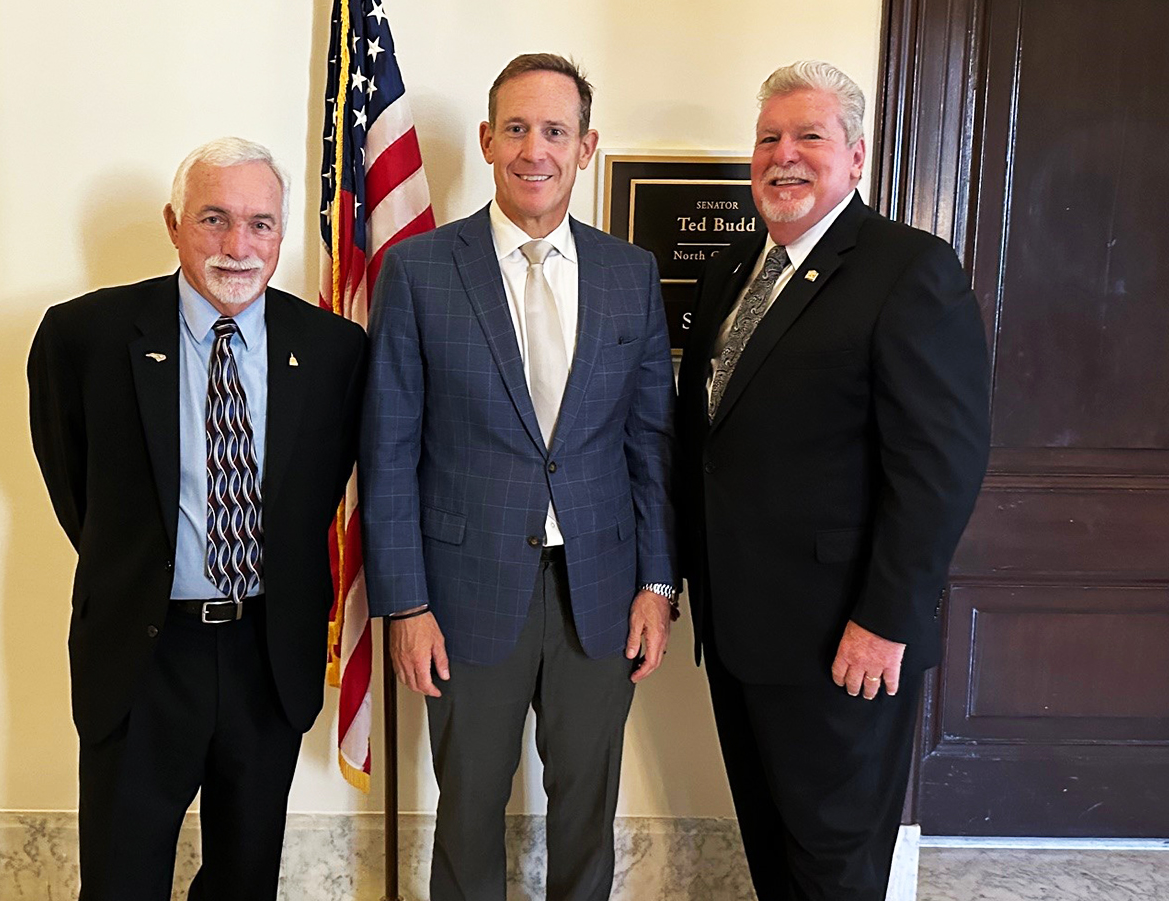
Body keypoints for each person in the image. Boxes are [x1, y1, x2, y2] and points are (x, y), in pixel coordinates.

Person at [360, 53, 676, 901]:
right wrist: (405, 603)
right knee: (466, 814)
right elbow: (387, 448)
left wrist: (657, 583)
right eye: (518, 129)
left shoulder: (629, 274)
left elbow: (650, 444)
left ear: (586, 147)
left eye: (556, 131)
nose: (535, 149)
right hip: (462, 595)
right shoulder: (420, 270)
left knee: (587, 813)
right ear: (488, 140)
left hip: (600, 592)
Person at [675, 61, 990, 901]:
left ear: (856, 155)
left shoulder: (908, 269)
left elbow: (940, 465)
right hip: (741, 636)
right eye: (769, 138)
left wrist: (885, 619)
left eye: (809, 136)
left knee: (834, 869)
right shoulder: (731, 271)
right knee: (776, 853)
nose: (785, 155)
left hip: (843, 644)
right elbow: (707, 443)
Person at [27, 137, 367, 901]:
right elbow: (73, 484)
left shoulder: (335, 351)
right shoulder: (85, 338)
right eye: (215, 219)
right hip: (143, 656)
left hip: (265, 654)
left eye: (261, 224)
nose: (238, 246)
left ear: (282, 234)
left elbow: (321, 488)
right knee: (121, 880)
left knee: (244, 882)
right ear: (173, 223)